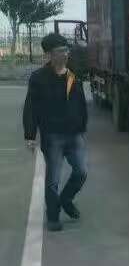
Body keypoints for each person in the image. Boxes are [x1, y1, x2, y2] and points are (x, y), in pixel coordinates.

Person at [23, 32, 88, 232]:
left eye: (66, 50)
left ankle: (66, 199)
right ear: (49, 55)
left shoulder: (72, 75)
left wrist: (82, 126)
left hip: (74, 135)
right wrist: (30, 136)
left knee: (81, 172)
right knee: (53, 180)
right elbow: (31, 108)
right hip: (53, 137)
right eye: (60, 51)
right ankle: (53, 216)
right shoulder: (39, 78)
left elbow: (81, 103)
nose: (65, 54)